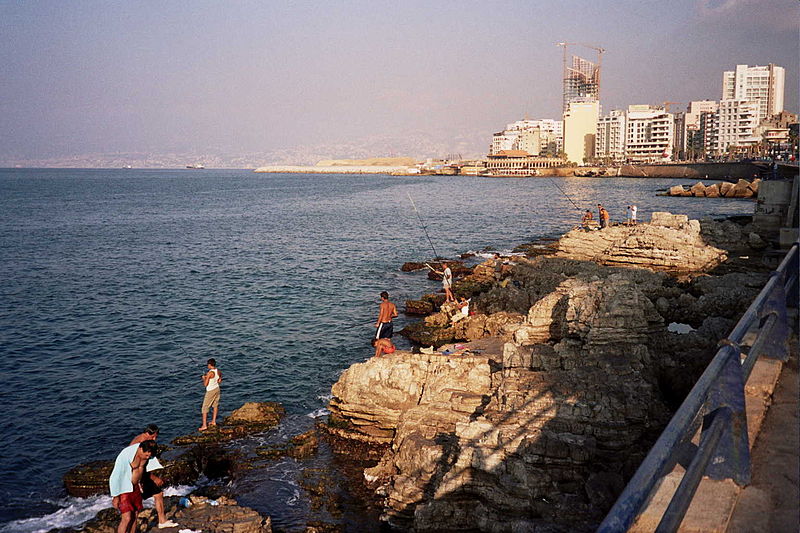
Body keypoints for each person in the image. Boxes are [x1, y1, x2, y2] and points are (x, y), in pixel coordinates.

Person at [129, 425, 177, 529]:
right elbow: (137, 468)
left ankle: (162, 521)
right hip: (137, 478)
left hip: (141, 475)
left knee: (158, 493)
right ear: (147, 434)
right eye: (153, 437)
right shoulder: (139, 446)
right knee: (136, 507)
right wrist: (154, 478)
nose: (154, 439)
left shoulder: (143, 441)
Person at [109, 440, 158, 533]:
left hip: (136, 488)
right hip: (124, 489)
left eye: (149, 455)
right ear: (140, 449)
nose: (148, 457)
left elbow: (144, 469)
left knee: (135, 515)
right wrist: (115, 496)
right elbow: (115, 476)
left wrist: (144, 482)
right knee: (127, 518)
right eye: (146, 455)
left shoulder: (147, 453)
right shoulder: (126, 455)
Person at [199, 358, 222, 431]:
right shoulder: (217, 371)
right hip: (217, 389)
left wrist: (204, 378)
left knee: (204, 408)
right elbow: (219, 380)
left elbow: (205, 384)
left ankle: (204, 425)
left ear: (209, 365)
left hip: (210, 391)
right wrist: (207, 377)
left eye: (207, 365)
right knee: (215, 405)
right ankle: (213, 421)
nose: (207, 366)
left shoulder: (209, 373)